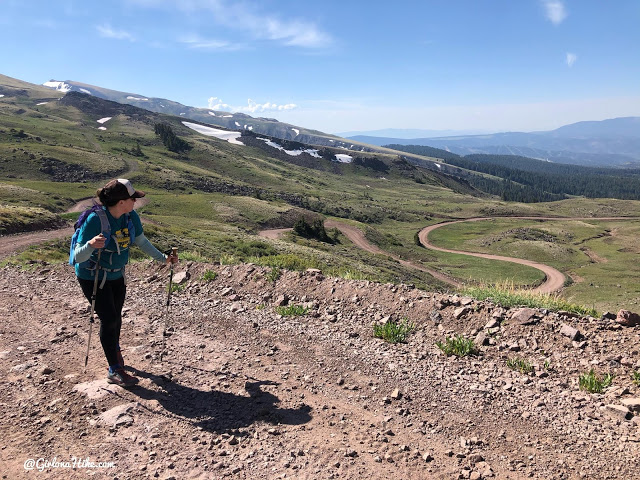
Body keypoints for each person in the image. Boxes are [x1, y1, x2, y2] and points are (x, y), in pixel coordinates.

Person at [73, 178, 178, 387]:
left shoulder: (130, 216)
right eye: (133, 198)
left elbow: (140, 241)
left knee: (116, 317)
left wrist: (162, 258)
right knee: (109, 318)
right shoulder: (95, 220)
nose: (135, 202)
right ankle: (115, 369)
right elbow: (77, 257)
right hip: (92, 276)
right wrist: (91, 245)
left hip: (116, 274)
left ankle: (113, 349)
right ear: (121, 201)